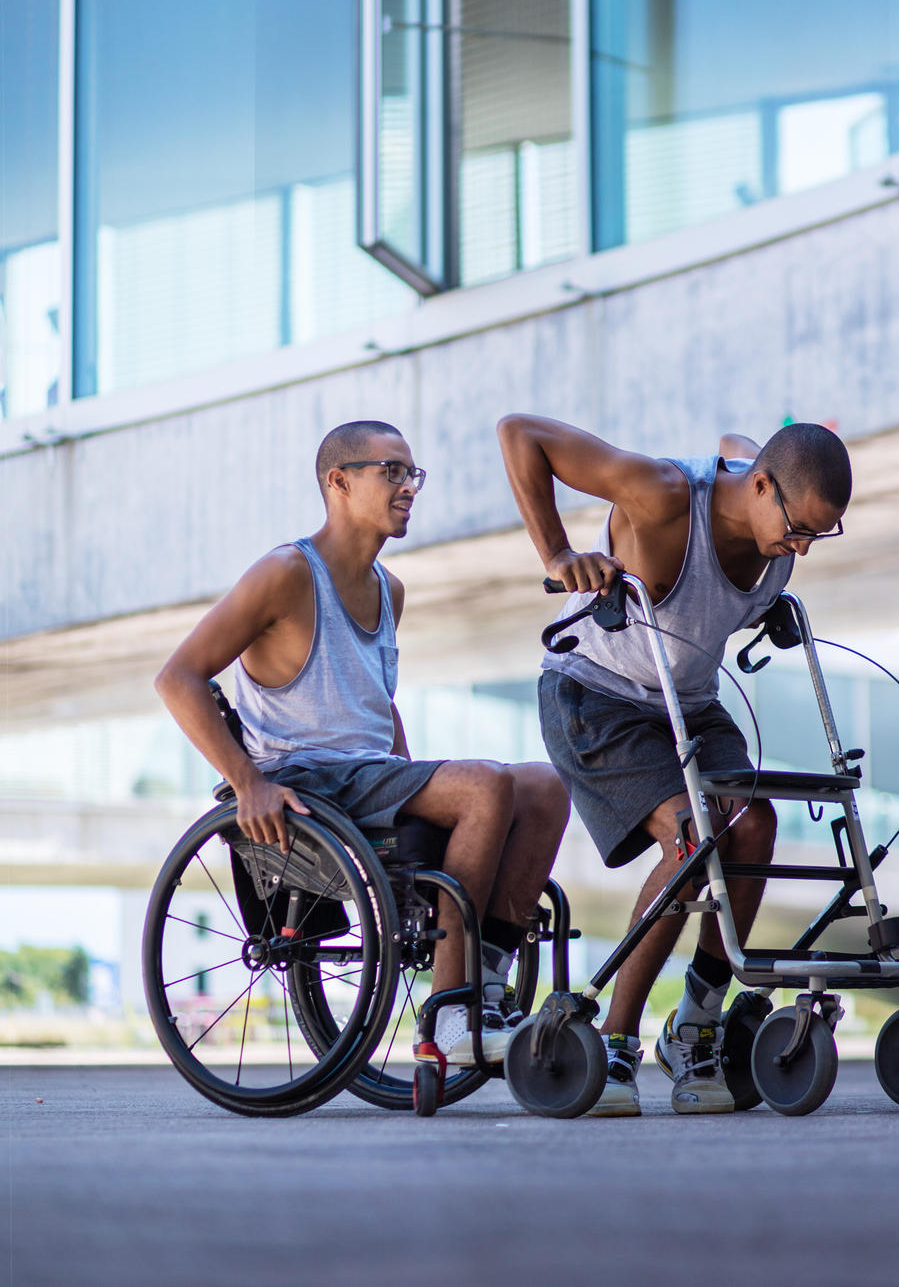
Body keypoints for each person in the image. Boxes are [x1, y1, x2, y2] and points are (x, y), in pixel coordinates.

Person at [155, 421, 570, 1068]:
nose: (410, 487)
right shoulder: (287, 572)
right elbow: (177, 676)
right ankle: (451, 1013)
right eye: (393, 472)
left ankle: (484, 978)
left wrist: (422, 778)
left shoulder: (388, 588)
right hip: (307, 779)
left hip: (371, 775)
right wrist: (249, 783)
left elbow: (375, 703)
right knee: (487, 782)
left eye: (414, 474)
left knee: (544, 785)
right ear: (340, 482)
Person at [497, 414, 851, 1115]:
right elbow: (520, 435)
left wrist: (742, 456)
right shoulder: (659, 494)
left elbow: (734, 442)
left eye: (819, 534)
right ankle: (617, 1042)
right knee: (695, 840)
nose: (801, 550)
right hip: (595, 694)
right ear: (760, 488)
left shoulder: (762, 492)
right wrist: (558, 551)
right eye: (798, 529)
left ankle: (695, 1022)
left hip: (685, 700)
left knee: (753, 827)